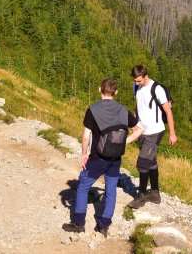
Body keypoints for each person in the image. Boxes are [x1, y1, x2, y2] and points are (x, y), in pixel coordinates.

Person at [63, 78, 142, 237]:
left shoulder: (93, 109)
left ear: (100, 90)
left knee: (83, 186)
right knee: (111, 190)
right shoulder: (123, 110)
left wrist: (84, 154)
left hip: (97, 157)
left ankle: (78, 224)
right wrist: (123, 143)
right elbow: (139, 130)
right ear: (116, 92)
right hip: (115, 158)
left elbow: (86, 136)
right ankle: (104, 225)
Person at [126, 65, 177, 209]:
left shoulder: (157, 89)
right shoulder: (136, 87)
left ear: (145, 76)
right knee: (151, 162)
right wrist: (135, 124)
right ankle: (155, 193)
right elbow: (139, 106)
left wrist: (172, 133)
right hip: (142, 131)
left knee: (142, 163)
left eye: (139, 81)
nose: (136, 83)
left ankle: (141, 196)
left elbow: (168, 112)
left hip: (155, 131)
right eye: (135, 81)